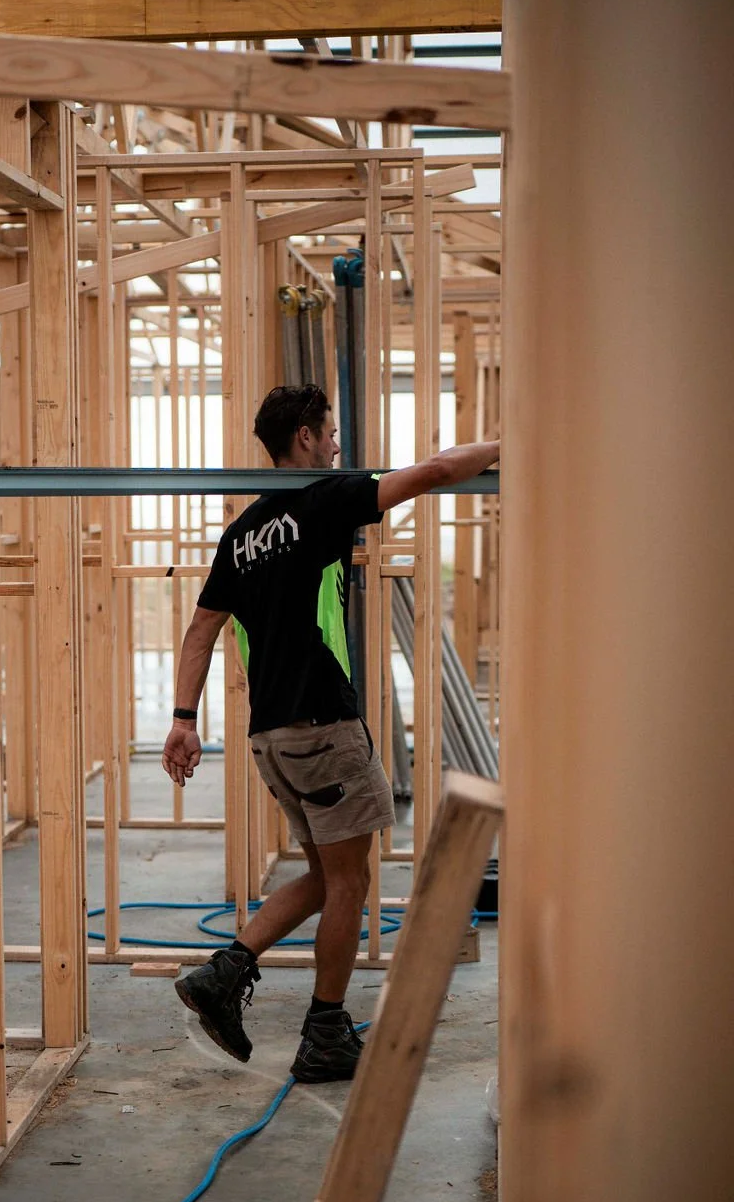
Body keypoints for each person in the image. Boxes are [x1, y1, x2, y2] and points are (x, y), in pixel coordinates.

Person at [162, 384, 500, 1083]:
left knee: (324, 875)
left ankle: (222, 976)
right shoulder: (322, 501)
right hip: (323, 727)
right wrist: (507, 446)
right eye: (332, 431)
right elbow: (435, 470)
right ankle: (324, 1032)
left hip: (271, 740)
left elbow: (201, 629)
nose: (339, 442)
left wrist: (184, 719)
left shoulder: (243, 533)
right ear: (307, 438)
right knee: (350, 881)